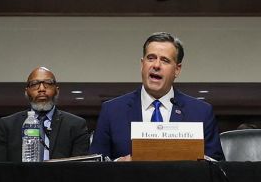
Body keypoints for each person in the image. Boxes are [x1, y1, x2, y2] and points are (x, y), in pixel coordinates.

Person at [89, 32, 223, 161]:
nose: (156, 65)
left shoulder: (201, 112)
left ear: (177, 69)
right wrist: (118, 164)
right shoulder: (112, 110)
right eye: (151, 58)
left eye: (165, 60)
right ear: (142, 64)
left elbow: (218, 168)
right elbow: (94, 164)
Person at [0, 66, 91, 162]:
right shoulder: (8, 125)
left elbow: (79, 169)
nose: (41, 89)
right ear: (27, 91)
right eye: (34, 84)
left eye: (48, 83)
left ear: (57, 90)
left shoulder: (76, 125)